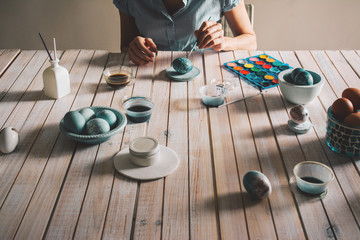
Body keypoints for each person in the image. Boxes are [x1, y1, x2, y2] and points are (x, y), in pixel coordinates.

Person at [113, 0, 257, 65]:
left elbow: (251, 41)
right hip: (148, 78)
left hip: (207, 77)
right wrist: (134, 48)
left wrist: (224, 41)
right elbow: (125, 47)